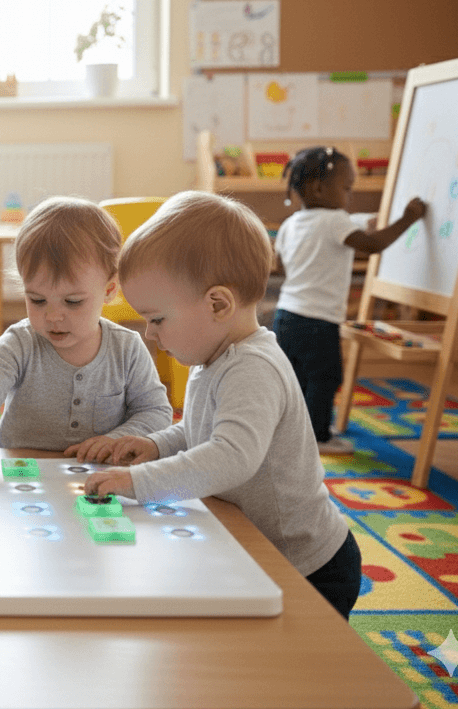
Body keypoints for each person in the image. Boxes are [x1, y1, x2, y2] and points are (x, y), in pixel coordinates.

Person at [76, 191, 361, 619]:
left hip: (309, 565)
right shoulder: (212, 354)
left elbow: (231, 457)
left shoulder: (253, 368)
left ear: (217, 304)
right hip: (260, 548)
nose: (151, 335)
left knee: (296, 677)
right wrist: (157, 445)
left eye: (157, 319)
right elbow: (200, 430)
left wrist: (139, 481)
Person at [0, 197, 173, 482]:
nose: (54, 316)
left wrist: (117, 439)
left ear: (109, 289)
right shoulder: (20, 342)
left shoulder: (127, 348)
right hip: (22, 474)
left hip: (98, 478)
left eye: (72, 301)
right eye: (38, 299)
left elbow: (155, 412)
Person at [274, 146, 427, 454]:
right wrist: (408, 219)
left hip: (286, 316)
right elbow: (370, 245)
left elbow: (279, 266)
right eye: (346, 188)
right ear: (319, 188)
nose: (349, 196)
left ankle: (296, 431)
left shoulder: (291, 224)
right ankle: (318, 437)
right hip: (318, 321)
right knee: (326, 377)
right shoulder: (335, 222)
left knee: (296, 379)